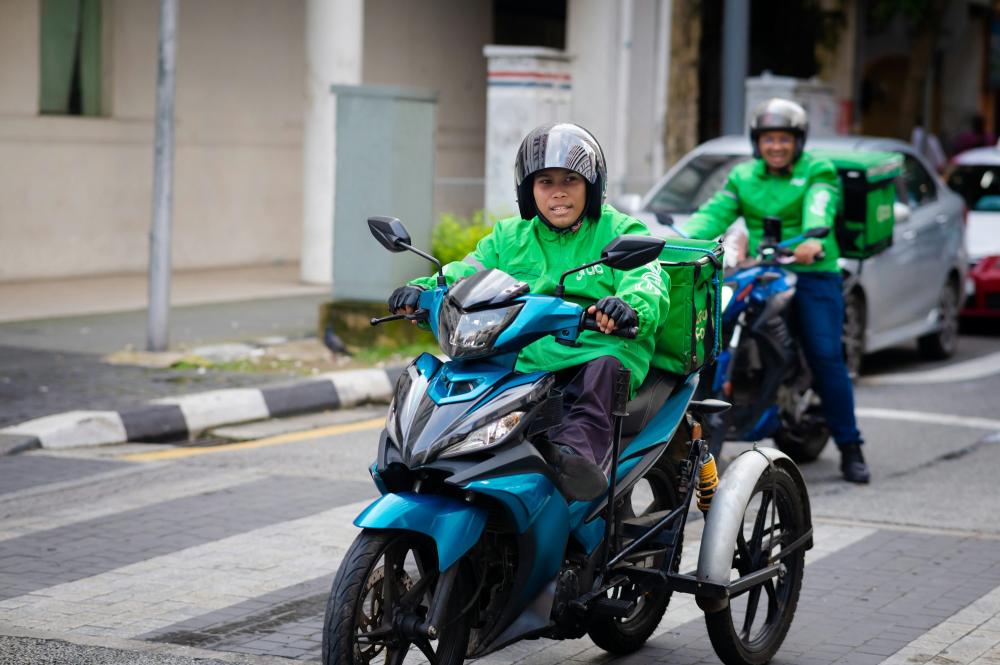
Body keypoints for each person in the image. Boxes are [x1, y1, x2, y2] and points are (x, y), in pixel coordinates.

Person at [388, 122, 670, 501]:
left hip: (598, 350)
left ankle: (576, 459)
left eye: (570, 179)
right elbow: (464, 272)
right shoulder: (509, 236)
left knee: (601, 373)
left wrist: (627, 307)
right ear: (528, 190)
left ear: (592, 186)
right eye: (545, 182)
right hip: (528, 354)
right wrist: (421, 292)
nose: (558, 193)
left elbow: (647, 278)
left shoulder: (618, 229)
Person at [682, 98, 871, 484]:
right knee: (718, 325)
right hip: (764, 269)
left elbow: (820, 206)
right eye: (768, 139)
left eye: (784, 139)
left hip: (813, 270)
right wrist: (680, 241)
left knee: (824, 354)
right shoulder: (744, 177)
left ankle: (851, 448)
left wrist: (812, 240)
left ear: (798, 141)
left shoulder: (817, 170)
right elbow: (714, 213)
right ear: (757, 142)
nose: (777, 147)